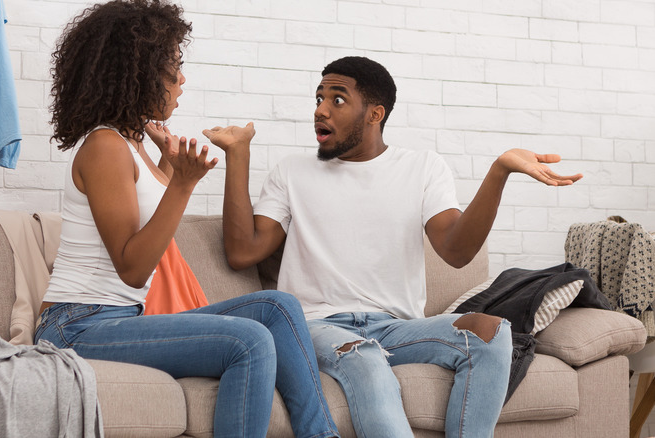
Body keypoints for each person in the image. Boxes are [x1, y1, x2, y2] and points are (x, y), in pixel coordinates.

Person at [205, 56, 583, 438]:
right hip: (317, 326)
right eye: (318, 98)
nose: (320, 110)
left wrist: (499, 172)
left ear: (375, 114)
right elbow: (243, 252)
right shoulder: (292, 171)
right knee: (364, 358)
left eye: (337, 100)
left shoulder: (422, 167)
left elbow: (456, 251)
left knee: (491, 333)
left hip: (397, 328)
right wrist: (238, 154)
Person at [34, 2, 339, 437]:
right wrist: (183, 184)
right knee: (247, 342)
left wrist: (171, 167)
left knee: (278, 306)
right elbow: (133, 267)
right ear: (138, 73)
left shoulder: (132, 143)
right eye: (172, 68)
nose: (181, 80)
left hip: (120, 317)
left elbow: (146, 221)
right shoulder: (105, 146)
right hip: (76, 326)